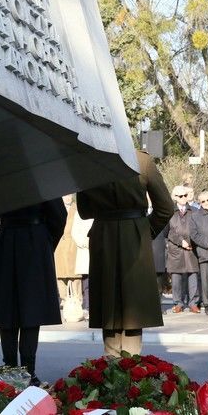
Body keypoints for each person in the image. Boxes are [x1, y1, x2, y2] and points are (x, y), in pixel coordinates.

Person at [77, 150, 173, 356]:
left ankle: (111, 366)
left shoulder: (86, 160)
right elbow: (165, 207)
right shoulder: (142, 159)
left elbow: (84, 211)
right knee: (133, 306)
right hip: (134, 234)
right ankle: (132, 370)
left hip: (104, 235)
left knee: (108, 305)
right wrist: (146, 231)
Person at [0, 200, 66, 385]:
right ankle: (28, 372)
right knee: (32, 309)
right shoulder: (40, 173)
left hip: (7, 239)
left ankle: (10, 369)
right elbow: (59, 216)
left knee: (7, 309)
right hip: (34, 239)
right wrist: (45, 242)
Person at [166, 185, 200, 313]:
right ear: (175, 197)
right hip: (176, 249)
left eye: (185, 195)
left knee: (193, 276)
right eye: (181, 196)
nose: (184, 198)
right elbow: (168, 232)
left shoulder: (194, 211)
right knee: (176, 278)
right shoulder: (169, 212)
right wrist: (181, 242)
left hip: (191, 248)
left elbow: (197, 229)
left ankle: (193, 303)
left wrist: (190, 242)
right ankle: (178, 303)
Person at [190, 191, 208, 315]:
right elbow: (194, 235)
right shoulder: (195, 216)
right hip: (205, 252)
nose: (206, 203)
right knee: (206, 280)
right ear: (199, 203)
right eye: (203, 201)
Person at [55, 196, 81, 308]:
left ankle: (78, 299)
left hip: (73, 243)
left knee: (75, 275)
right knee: (60, 274)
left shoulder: (76, 208)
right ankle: (64, 298)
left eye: (69, 195)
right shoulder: (58, 208)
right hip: (60, 243)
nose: (67, 197)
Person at [72, 208, 92, 321]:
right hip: (85, 251)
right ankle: (87, 308)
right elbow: (75, 232)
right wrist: (85, 242)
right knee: (87, 284)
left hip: (99, 249)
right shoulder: (79, 212)